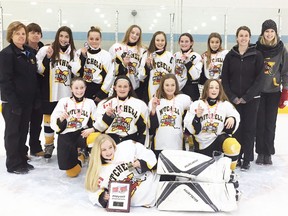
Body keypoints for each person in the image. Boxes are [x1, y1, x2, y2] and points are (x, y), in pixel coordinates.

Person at [221, 26, 265, 170]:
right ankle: (237, 156)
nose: (243, 38)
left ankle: (247, 158)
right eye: (241, 35)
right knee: (236, 129)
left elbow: (260, 79)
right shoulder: (230, 56)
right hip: (234, 100)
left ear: (249, 38)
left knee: (249, 129)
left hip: (252, 99)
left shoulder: (257, 55)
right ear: (237, 38)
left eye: (246, 35)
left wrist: (247, 97)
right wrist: (232, 97)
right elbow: (225, 79)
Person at [0, 21, 39, 174]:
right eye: (18, 33)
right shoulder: (6, 54)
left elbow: (33, 78)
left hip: (27, 101)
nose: (21, 36)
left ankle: (22, 158)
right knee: (13, 133)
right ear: (11, 35)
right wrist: (14, 103)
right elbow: (5, 81)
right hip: (13, 102)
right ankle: (13, 164)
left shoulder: (29, 52)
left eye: (23, 33)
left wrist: (35, 98)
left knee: (23, 131)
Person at [36, 26, 81, 159]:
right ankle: (49, 146)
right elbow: (39, 69)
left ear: (70, 38)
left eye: (66, 36)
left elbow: (77, 71)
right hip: (49, 92)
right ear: (57, 36)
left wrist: (70, 57)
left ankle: (65, 145)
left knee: (66, 119)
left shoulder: (73, 53)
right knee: (48, 120)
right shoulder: (46, 49)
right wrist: (47, 58)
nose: (63, 39)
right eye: (61, 36)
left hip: (66, 94)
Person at [85, 134, 159, 208]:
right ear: (98, 151)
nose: (108, 152)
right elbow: (92, 191)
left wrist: (141, 163)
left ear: (114, 145)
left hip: (155, 185)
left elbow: (146, 154)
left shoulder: (125, 148)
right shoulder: (99, 170)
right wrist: (102, 197)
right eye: (104, 150)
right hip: (145, 201)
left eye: (110, 147)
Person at [184, 79, 241, 170]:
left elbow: (233, 121)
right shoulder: (197, 104)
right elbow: (191, 130)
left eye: (216, 88)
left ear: (220, 90)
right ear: (206, 90)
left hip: (217, 140)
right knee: (203, 171)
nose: (214, 90)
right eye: (211, 87)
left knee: (232, 144)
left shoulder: (225, 105)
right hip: (200, 143)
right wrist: (197, 117)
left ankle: (229, 173)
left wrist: (232, 118)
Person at [50, 77, 98, 177]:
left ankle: (91, 158)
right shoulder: (64, 101)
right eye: (76, 88)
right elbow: (53, 122)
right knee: (72, 172)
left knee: (96, 138)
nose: (79, 91)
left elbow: (97, 121)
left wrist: (92, 129)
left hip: (82, 133)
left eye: (82, 88)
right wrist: (61, 119)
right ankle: (80, 158)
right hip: (67, 134)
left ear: (85, 88)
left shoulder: (90, 103)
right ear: (71, 89)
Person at [255, 19, 288, 165]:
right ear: (263, 33)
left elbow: (285, 72)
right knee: (259, 123)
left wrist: (285, 91)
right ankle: (260, 152)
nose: (269, 34)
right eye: (266, 31)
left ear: (275, 33)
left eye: (271, 31)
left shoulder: (282, 49)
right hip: (258, 91)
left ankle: (268, 152)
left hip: (273, 91)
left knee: (270, 123)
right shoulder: (256, 48)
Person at [94, 75, 149, 145]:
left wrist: (140, 146)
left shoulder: (140, 104)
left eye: (125, 87)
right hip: (109, 141)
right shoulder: (103, 104)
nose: (122, 89)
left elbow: (143, 129)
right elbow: (98, 127)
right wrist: (106, 116)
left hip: (130, 141)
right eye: (119, 86)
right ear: (114, 88)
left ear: (129, 88)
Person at [149, 74, 191, 159]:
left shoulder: (183, 99)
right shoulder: (155, 101)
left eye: (172, 85)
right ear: (162, 86)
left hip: (177, 144)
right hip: (160, 144)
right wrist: (153, 109)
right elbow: (151, 127)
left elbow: (195, 110)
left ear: (176, 86)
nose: (170, 88)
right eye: (167, 85)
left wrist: (187, 131)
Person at [78, 26, 114, 104]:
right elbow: (76, 72)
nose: (94, 41)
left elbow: (110, 76)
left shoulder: (106, 55)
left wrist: (102, 93)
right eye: (91, 39)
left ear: (100, 40)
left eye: (97, 39)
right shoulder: (80, 52)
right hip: (82, 88)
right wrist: (82, 57)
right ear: (87, 39)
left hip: (98, 89)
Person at [109, 25, 146, 97]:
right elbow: (110, 67)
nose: (134, 35)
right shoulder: (116, 47)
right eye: (132, 32)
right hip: (119, 86)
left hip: (135, 87)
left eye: (137, 34)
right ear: (128, 33)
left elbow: (142, 72)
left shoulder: (142, 51)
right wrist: (123, 64)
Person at [139, 31, 175, 103]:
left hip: (166, 90)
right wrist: (147, 66)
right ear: (153, 41)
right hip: (149, 90)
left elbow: (173, 75)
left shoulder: (170, 56)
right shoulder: (147, 54)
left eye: (162, 40)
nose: (160, 42)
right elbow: (140, 76)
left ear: (165, 42)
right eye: (157, 40)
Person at [26, 22, 45, 157]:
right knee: (23, 123)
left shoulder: (44, 49)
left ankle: (35, 146)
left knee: (37, 121)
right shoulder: (23, 50)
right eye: (32, 32)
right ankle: (22, 149)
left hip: (41, 91)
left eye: (38, 33)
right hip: (26, 92)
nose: (35, 35)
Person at [174, 33, 202, 101]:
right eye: (182, 41)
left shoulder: (196, 56)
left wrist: (188, 62)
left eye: (186, 41)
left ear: (191, 43)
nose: (184, 44)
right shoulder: (176, 55)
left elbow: (195, 76)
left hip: (191, 89)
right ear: (179, 42)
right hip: (177, 89)